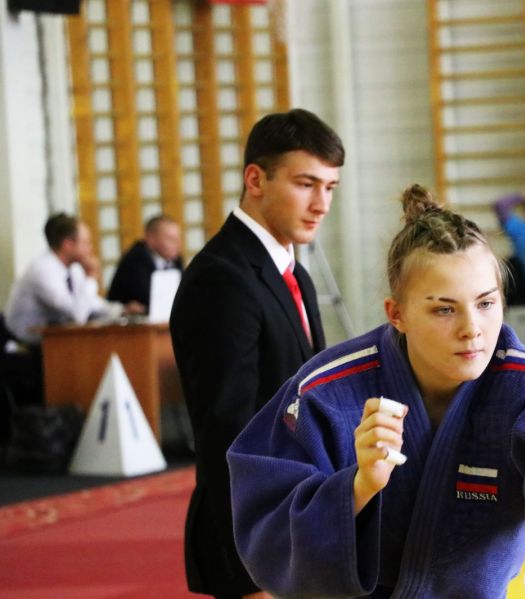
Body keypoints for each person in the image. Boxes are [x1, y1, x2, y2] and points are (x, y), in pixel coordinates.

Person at [226, 184, 525, 598]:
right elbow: (266, 525)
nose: (472, 328)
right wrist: (359, 486)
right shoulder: (328, 389)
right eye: (444, 309)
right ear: (397, 314)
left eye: (486, 303)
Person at [170, 108, 343, 599]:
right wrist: (254, 557)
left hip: (298, 517)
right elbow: (228, 432)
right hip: (252, 534)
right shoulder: (220, 278)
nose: (322, 203)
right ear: (255, 179)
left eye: (330, 187)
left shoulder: (296, 275)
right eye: (307, 184)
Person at [3, 213, 141, 406]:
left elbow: (91, 303)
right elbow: (77, 314)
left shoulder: (72, 269)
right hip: (25, 352)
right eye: (86, 242)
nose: (91, 248)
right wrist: (92, 276)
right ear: (67, 244)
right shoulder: (43, 271)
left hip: (54, 346)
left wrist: (121, 310)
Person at [107, 214, 183, 313]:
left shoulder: (176, 260)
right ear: (151, 239)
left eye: (178, 239)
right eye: (170, 239)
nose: (177, 244)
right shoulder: (136, 258)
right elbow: (149, 298)